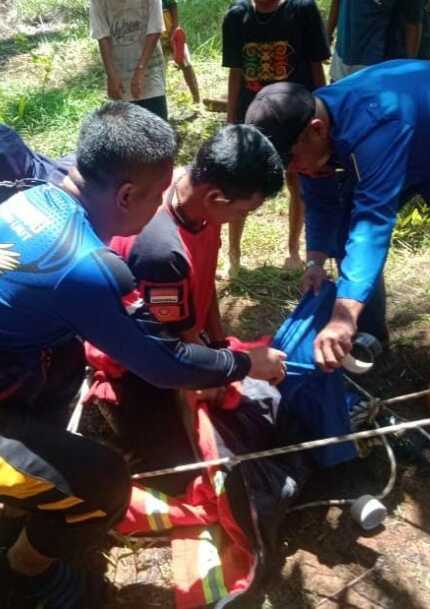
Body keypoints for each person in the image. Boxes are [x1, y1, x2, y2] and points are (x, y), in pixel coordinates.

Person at [0, 102, 287, 609]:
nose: (162, 203)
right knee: (105, 484)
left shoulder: (38, 193)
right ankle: (25, 578)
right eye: (158, 193)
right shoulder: (83, 265)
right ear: (125, 195)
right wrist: (248, 363)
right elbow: (167, 366)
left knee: (66, 359)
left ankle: (27, 509)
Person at [245, 61, 430, 415]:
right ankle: (368, 338)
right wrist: (315, 261)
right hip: (415, 143)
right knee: (343, 234)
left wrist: (341, 315)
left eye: (293, 160)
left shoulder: (376, 126)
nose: (293, 169)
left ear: (316, 129)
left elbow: (373, 220)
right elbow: (322, 202)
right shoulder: (310, 131)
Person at [86, 124, 284, 490]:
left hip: (180, 335)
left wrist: (221, 347)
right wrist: (227, 370)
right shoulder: (163, 252)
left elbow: (204, 278)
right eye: (244, 212)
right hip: (143, 361)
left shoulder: (193, 199)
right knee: (185, 477)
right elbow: (170, 355)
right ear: (217, 198)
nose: (242, 219)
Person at [222, 0, 329, 278]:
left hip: (298, 118)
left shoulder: (302, 10)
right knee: (242, 183)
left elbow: (316, 66)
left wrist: (327, 107)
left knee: (299, 181)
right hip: (254, 117)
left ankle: (293, 251)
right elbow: (235, 72)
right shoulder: (237, 16)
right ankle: (233, 257)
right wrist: (232, 118)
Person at [90, 0, 168, 120]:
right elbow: (102, 36)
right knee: (128, 131)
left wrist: (140, 70)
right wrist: (111, 75)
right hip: (120, 75)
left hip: (150, 70)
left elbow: (155, 28)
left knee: (157, 127)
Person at [327, 0, 424, 82]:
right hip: (341, 59)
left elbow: (412, 24)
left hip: (378, 68)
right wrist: (328, 34)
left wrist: (408, 70)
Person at [161, 0, 201, 104]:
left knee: (186, 65)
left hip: (172, 35)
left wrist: (174, 30)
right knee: (159, 73)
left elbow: (173, 6)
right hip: (155, 40)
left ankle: (197, 100)